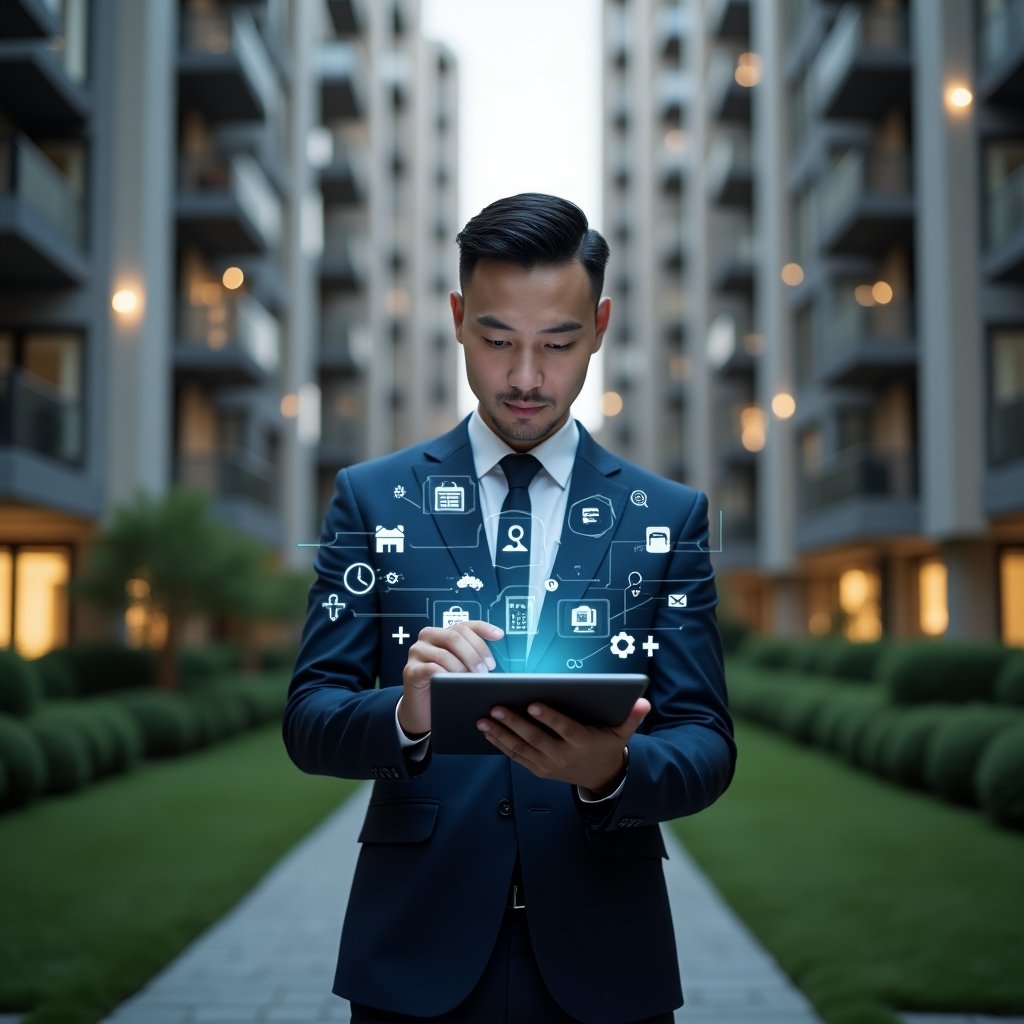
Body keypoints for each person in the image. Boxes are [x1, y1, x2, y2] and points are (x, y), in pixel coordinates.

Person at [284, 193, 735, 1024]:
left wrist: (612, 773)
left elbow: (707, 742)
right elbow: (310, 719)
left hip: (607, 955)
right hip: (414, 954)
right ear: (457, 319)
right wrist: (407, 715)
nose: (526, 377)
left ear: (599, 326)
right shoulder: (373, 499)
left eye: (558, 344)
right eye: (497, 341)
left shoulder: (669, 517)